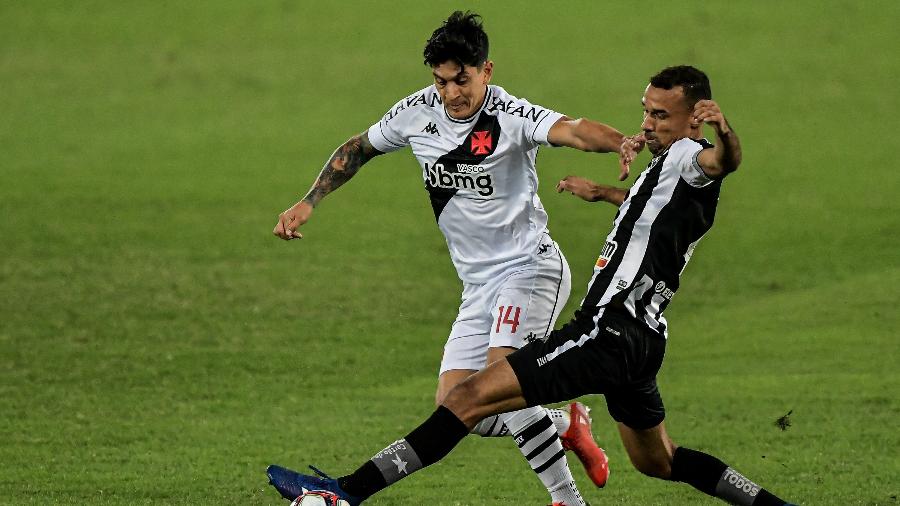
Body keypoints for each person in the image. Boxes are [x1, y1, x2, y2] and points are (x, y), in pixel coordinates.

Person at [267, 66, 798, 506]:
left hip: (607, 330)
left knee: (470, 397)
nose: (647, 122)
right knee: (661, 461)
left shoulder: (692, 156)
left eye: (660, 114)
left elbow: (723, 162)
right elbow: (656, 214)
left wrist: (726, 133)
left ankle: (344, 493)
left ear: (695, 117)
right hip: (644, 339)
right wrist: (605, 194)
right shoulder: (671, 171)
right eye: (645, 109)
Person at [271, 11, 637, 506]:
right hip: (478, 287)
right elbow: (357, 148)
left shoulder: (510, 115)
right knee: (456, 408)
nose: (451, 94)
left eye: (461, 80)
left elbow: (572, 130)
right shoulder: (417, 112)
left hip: (530, 269)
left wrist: (624, 142)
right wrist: (308, 201)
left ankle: (567, 500)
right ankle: (565, 421)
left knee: (497, 381)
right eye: (441, 81)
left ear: (486, 70)